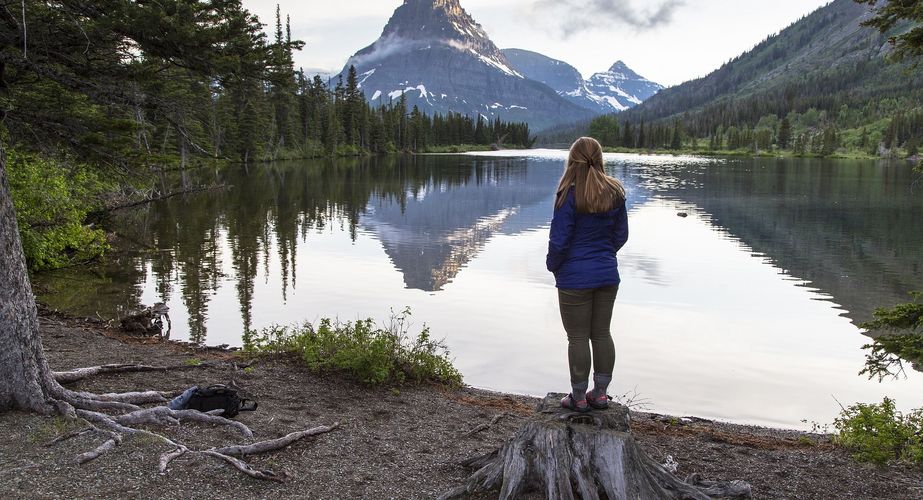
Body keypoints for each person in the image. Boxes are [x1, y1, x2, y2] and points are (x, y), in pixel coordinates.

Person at [546, 137, 629, 412]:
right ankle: (601, 394)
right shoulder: (615, 192)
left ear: (572, 160)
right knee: (602, 333)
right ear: (599, 158)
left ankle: (579, 397)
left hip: (574, 278)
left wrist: (554, 265)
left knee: (578, 337)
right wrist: (604, 255)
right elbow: (621, 236)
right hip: (607, 275)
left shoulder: (568, 194)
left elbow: (559, 240)